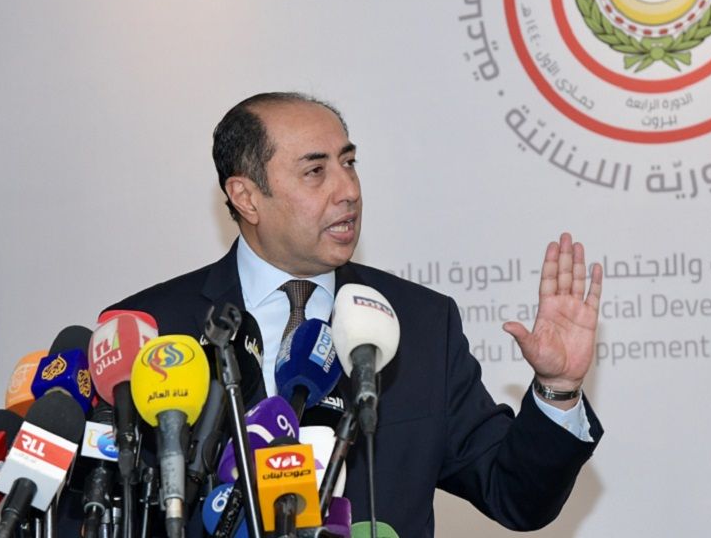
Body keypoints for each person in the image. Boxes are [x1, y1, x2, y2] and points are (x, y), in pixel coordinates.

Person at [106, 92, 605, 537]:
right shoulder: (149, 330)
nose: (348, 190)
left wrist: (557, 388)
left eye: (349, 163)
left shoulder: (421, 323)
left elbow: (514, 496)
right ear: (247, 197)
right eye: (315, 171)